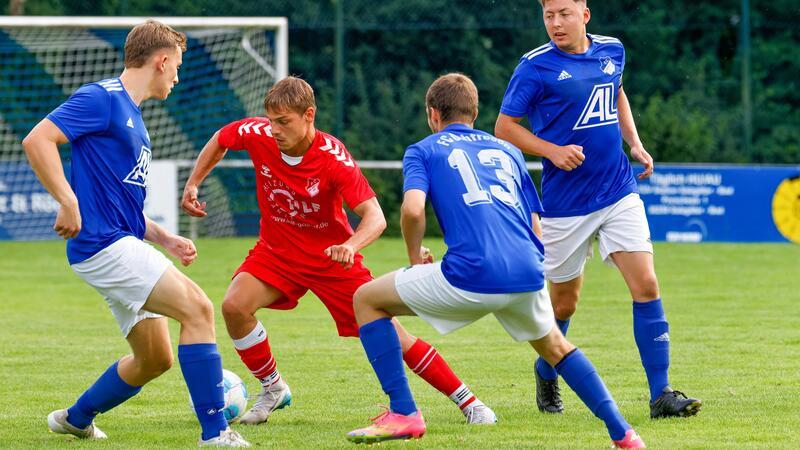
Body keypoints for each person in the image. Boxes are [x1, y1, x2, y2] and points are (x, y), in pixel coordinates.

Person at [346, 73, 645, 449]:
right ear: (474, 113)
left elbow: (412, 210)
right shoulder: (508, 150)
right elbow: (534, 223)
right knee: (556, 348)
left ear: (433, 114)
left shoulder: (424, 149)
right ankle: (624, 434)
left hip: (471, 273)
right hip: (527, 270)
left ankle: (403, 413)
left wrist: (412, 255)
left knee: (366, 299)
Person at [181, 76, 496, 427]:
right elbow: (220, 139)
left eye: (283, 122)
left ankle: (469, 402)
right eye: (271, 121)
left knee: (392, 335)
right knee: (234, 306)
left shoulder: (333, 158)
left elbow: (375, 217)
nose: (275, 130)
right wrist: (194, 183)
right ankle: (272, 388)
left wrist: (350, 245)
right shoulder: (258, 133)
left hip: (331, 261)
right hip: (277, 253)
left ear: (309, 115)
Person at [22, 20, 249, 447]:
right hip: (105, 245)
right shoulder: (103, 98)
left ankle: (75, 418)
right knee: (199, 310)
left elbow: (122, 206)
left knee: (155, 358)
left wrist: (165, 239)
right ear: (161, 61)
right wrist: (67, 200)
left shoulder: (134, 119)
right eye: (176, 66)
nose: (177, 77)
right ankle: (216, 434)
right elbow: (38, 140)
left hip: (113, 243)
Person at [494, 0, 701, 418]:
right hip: (565, 204)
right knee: (564, 305)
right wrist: (552, 151)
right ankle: (546, 368)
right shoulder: (534, 67)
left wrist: (634, 142)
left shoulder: (612, 49)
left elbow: (616, 93)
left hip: (618, 190)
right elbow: (505, 127)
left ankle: (661, 394)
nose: (556, 23)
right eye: (549, 15)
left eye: (564, 14)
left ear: (584, 15)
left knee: (646, 284)